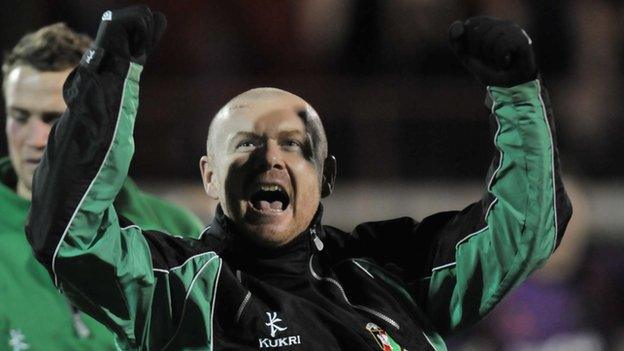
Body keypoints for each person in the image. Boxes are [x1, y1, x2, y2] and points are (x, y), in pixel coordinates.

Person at [25, 6, 572, 351]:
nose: (271, 160)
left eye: (294, 145)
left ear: (327, 175)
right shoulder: (175, 289)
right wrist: (110, 79)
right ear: (210, 178)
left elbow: (523, 231)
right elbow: (70, 236)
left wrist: (517, 94)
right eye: (246, 145)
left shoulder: (389, 273)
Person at [1, 23, 205, 350]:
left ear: (100, 121)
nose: (37, 140)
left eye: (56, 119)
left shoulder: (174, 228)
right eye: (20, 117)